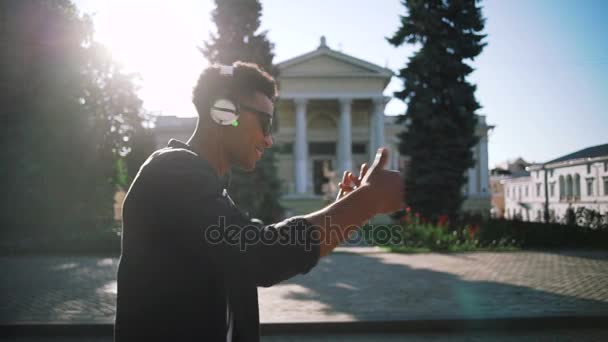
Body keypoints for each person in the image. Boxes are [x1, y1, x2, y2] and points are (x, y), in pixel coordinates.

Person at [114, 62, 404, 341]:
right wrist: (365, 202)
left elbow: (256, 249)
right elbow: (263, 255)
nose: (269, 140)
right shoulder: (172, 173)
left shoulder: (209, 189)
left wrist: (345, 209)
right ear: (223, 113)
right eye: (265, 124)